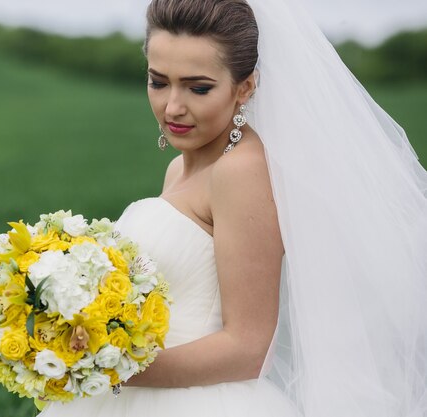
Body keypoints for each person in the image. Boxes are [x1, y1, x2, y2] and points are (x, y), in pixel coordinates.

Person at [38, 0, 427, 416]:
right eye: (158, 81)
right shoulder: (178, 169)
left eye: (198, 87)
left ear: (245, 86)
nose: (172, 107)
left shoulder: (240, 172)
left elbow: (247, 347)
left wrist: (103, 367)